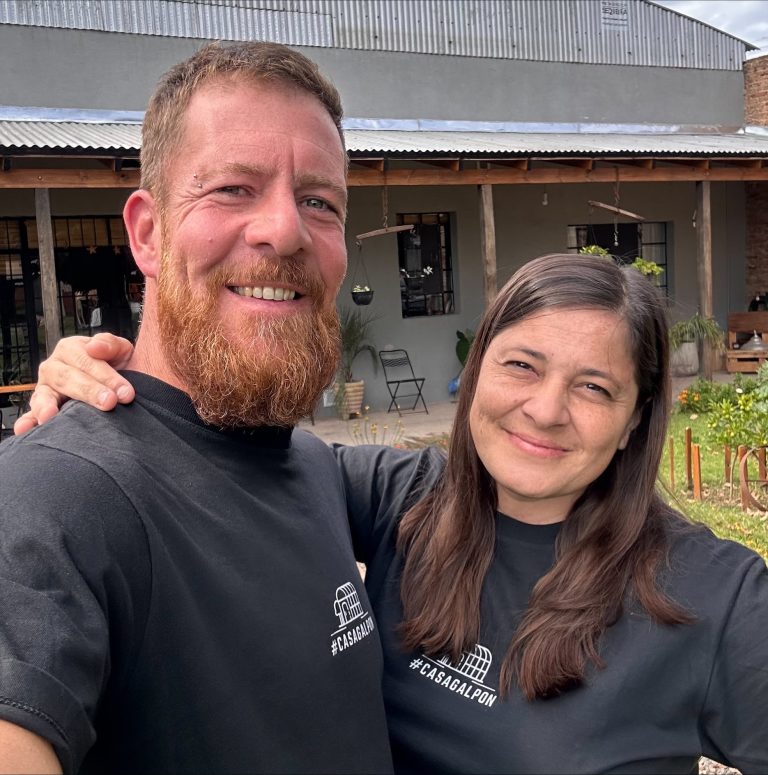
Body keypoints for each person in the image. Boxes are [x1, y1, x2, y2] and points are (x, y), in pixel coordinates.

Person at [27, 254, 768, 774]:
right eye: (522, 365)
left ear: (636, 419)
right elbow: (219, 459)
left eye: (595, 388)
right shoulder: (401, 499)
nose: (546, 410)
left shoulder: (715, 596)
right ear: (476, 371)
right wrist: (111, 392)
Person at [0, 42, 394, 773]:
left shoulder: (318, 470)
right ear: (147, 234)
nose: (286, 230)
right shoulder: (53, 494)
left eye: (319, 202)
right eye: (233, 189)